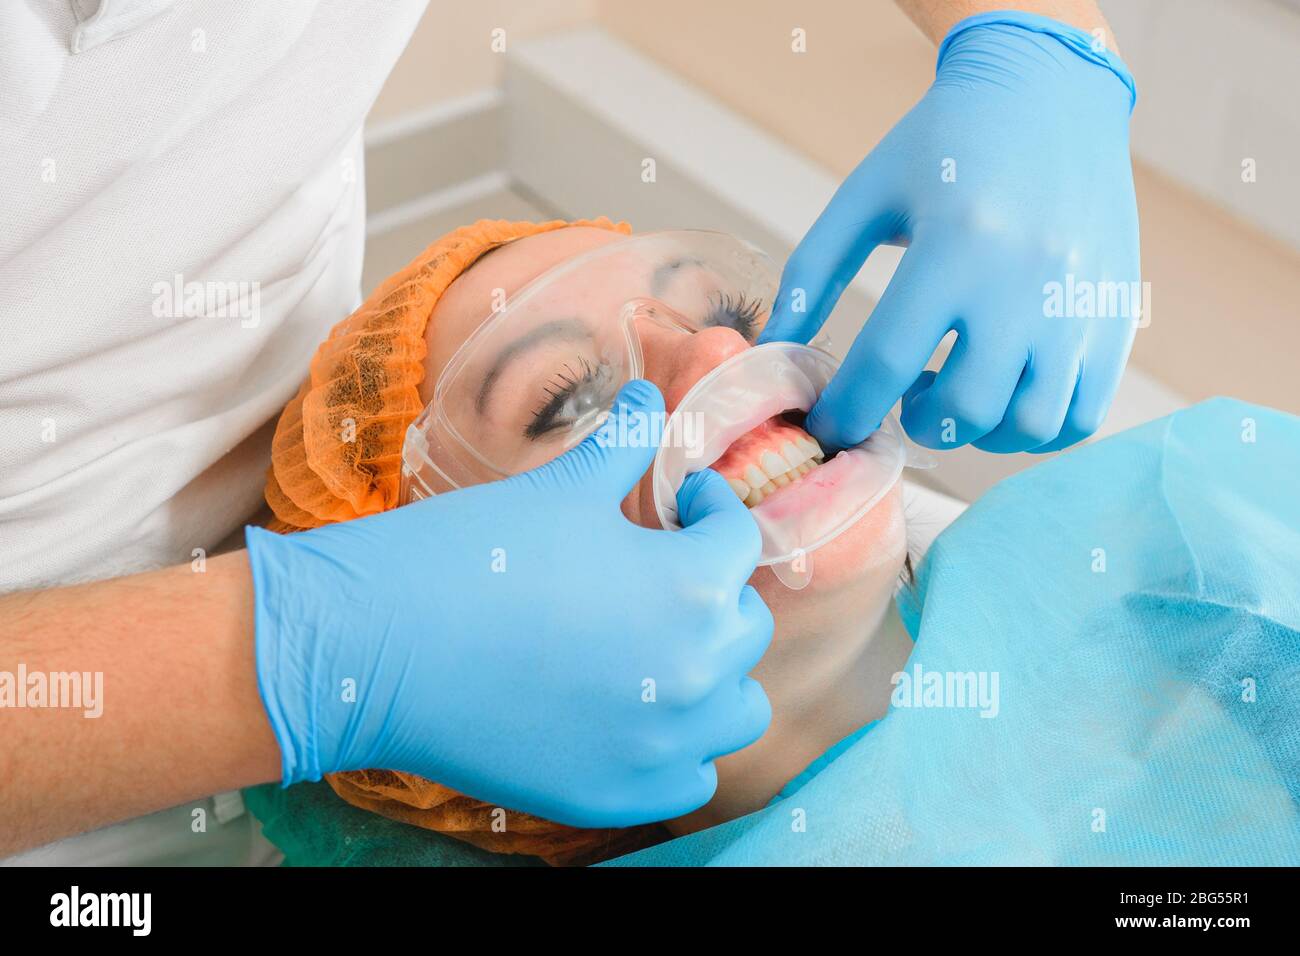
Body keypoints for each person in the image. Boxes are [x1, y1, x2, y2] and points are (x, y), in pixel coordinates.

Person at [0, 0, 1138, 864]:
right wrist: (315, 657)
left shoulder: (1204, 585)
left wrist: (1038, 45)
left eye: (730, 312)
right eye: (571, 406)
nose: (715, 359)